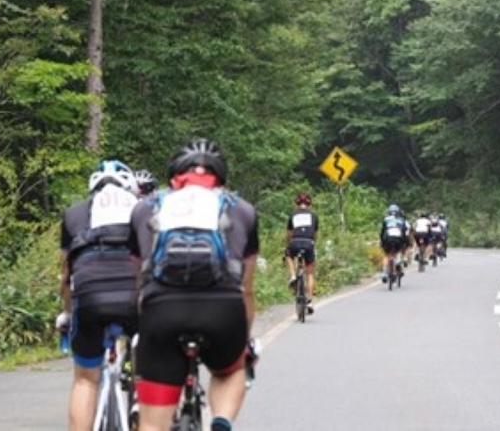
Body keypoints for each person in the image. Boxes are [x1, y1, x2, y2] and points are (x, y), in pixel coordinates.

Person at [128, 138, 259, 431]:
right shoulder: (242, 211)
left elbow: (137, 281)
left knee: (152, 424)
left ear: (174, 176)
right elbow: (247, 288)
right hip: (222, 310)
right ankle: (221, 421)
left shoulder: (145, 209)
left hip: (162, 311)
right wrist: (244, 337)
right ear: (220, 177)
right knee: (230, 370)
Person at [56, 159, 140, 431]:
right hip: (136, 292)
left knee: (85, 380)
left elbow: (66, 276)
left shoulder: (75, 214)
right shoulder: (145, 210)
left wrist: (67, 314)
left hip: (90, 294)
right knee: (153, 370)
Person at [284, 192, 319, 314]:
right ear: (310, 204)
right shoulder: (313, 215)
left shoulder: (293, 215)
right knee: (309, 273)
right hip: (309, 243)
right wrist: (314, 244)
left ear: (297, 204)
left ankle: (293, 276)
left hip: (295, 242)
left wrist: (288, 244)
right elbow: (315, 234)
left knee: (288, 255)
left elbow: (289, 233)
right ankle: (309, 300)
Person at [379, 204, 409, 282]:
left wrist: (382, 241)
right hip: (398, 239)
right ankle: (398, 261)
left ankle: (384, 273)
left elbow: (382, 232)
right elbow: (404, 232)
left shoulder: (386, 219)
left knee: (386, 255)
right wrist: (405, 243)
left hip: (388, 239)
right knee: (398, 251)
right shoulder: (402, 220)